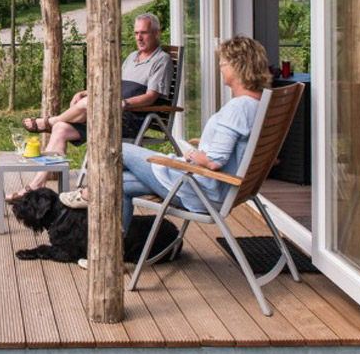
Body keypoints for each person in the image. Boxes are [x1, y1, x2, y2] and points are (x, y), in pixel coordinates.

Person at [58, 35, 271, 235]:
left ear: (237, 66)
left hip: (199, 189)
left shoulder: (238, 108)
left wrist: (191, 155)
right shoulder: (258, 105)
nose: (221, 68)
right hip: (214, 189)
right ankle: (114, 250)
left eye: (223, 63)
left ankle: (87, 192)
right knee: (117, 182)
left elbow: (214, 161)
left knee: (113, 147)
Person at [7, 13, 173, 199]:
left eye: (144, 33)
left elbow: (151, 97)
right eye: (136, 33)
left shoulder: (162, 60)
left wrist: (124, 103)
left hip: (129, 119)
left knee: (85, 106)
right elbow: (112, 85)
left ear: (157, 33)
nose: (139, 38)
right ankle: (37, 184)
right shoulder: (133, 57)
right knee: (62, 128)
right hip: (108, 114)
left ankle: (49, 122)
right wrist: (88, 91)